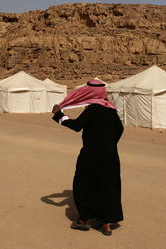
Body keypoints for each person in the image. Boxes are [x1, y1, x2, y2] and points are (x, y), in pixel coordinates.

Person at [51, 79, 124, 236]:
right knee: (108, 186)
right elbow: (120, 129)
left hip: (91, 155)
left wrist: (59, 115)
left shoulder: (93, 109)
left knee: (83, 184)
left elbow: (77, 126)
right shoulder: (111, 110)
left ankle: (84, 220)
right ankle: (106, 224)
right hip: (110, 156)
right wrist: (109, 145)